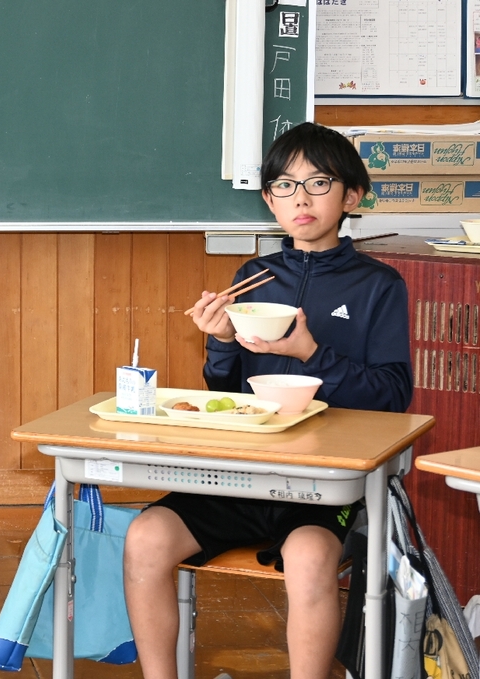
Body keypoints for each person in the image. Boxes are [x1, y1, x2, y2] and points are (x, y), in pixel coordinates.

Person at [123, 122, 413, 679]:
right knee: (145, 536)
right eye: (283, 185)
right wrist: (221, 343)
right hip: (246, 472)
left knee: (308, 557)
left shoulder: (378, 285)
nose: (299, 198)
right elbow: (227, 395)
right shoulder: (254, 278)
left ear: (352, 195)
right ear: (268, 199)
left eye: (318, 182)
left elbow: (394, 397)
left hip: (327, 486)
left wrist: (312, 353)